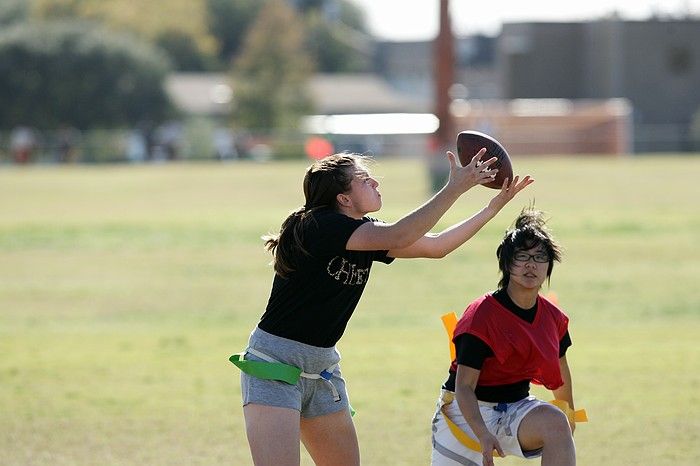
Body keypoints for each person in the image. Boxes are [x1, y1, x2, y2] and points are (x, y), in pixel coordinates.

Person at [233, 150, 533, 466]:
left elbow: (436, 246)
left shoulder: (365, 232)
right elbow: (400, 234)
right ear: (343, 199)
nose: (375, 182)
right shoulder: (318, 226)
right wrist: (454, 188)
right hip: (276, 364)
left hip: (322, 368)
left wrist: (492, 207)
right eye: (364, 179)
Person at [430, 208, 577, 466]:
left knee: (556, 423)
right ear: (507, 264)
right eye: (522, 256)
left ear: (549, 266)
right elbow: (464, 387)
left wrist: (569, 418)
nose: (531, 264)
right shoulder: (482, 315)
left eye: (540, 257)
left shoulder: (553, 318)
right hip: (466, 412)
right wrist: (484, 435)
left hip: (515, 406)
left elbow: (562, 373)